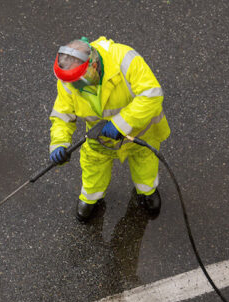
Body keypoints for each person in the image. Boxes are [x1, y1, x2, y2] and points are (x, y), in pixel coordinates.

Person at [48, 36, 170, 221]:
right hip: (100, 140)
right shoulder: (69, 79)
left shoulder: (125, 59)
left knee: (145, 164)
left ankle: (147, 192)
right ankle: (91, 198)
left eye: (77, 82)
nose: (74, 87)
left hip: (141, 133)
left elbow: (151, 94)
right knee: (93, 168)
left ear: (93, 66)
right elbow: (63, 115)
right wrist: (59, 143)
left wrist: (120, 123)